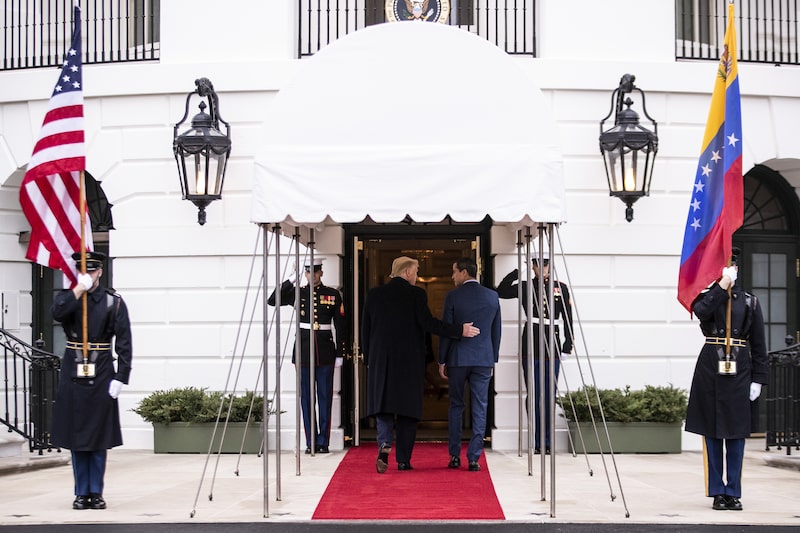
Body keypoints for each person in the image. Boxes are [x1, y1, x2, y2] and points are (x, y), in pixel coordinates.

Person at [361, 256, 479, 473]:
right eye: (415, 271)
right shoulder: (416, 294)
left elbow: (365, 331)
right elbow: (428, 323)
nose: (416, 275)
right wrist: (458, 330)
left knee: (384, 409)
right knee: (407, 412)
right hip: (408, 362)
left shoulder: (374, 295)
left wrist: (370, 360)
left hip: (381, 362)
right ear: (407, 272)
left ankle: (384, 443)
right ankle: (404, 461)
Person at [685, 249, 769, 511]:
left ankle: (733, 490)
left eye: (732, 265)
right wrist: (721, 286)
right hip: (712, 366)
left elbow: (759, 344)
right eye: (724, 265)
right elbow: (701, 311)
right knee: (711, 433)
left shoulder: (750, 301)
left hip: (739, 367)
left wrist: (759, 379)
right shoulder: (708, 297)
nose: (729, 268)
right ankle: (717, 491)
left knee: (736, 434)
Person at [51, 251, 132, 511]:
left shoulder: (113, 302)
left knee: (98, 434)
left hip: (101, 370)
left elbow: (124, 342)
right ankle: (80, 492)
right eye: (82, 271)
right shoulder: (68, 297)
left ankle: (96, 491)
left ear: (100, 272)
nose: (87, 275)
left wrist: (121, 376)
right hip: (74, 368)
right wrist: (78, 290)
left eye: (92, 271)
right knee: (77, 435)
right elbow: (58, 313)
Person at [496, 250, 573, 454]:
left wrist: (567, 345)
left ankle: (548, 442)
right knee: (535, 395)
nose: (542, 267)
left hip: (553, 345)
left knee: (549, 395)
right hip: (532, 344)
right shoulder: (525, 286)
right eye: (538, 264)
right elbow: (501, 290)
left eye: (545, 264)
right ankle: (538, 442)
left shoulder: (560, 288)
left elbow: (568, 318)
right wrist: (517, 271)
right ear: (533, 266)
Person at [268, 258, 347, 454]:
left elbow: (341, 325)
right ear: (305, 273)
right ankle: (310, 441)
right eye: (308, 272)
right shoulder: (298, 293)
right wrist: (291, 279)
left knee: (325, 398)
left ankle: (323, 442)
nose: (312, 275)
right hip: (303, 351)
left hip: (326, 351)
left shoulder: (332, 294)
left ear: (321, 272)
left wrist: (340, 353)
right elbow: (272, 300)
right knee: (306, 398)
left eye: (316, 272)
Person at [438, 257, 501, 472]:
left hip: (458, 358)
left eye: (454, 271)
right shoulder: (492, 296)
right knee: (480, 406)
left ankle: (454, 455)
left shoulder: (453, 296)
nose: (452, 276)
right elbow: (496, 331)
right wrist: (492, 358)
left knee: (456, 405)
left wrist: (442, 359)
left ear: (464, 272)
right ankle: (474, 458)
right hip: (483, 359)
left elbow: (447, 330)